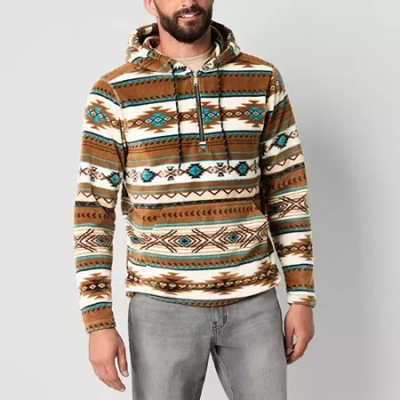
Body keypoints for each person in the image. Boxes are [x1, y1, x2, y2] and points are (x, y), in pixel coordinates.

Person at [73, 0, 316, 398]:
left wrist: (302, 297)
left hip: (253, 302)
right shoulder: (114, 93)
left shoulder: (263, 79)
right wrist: (98, 322)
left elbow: (287, 193)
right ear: (150, 3)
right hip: (161, 307)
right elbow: (93, 213)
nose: (189, 1)